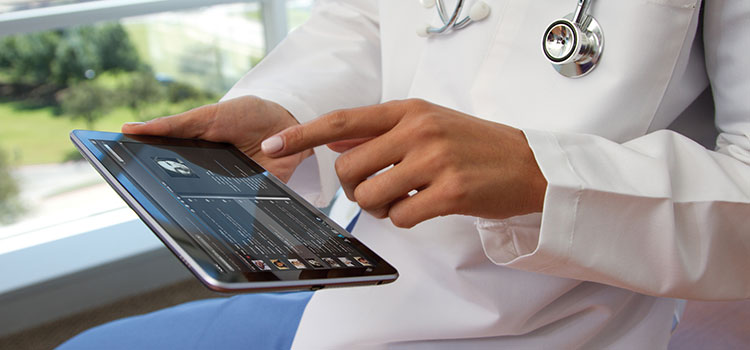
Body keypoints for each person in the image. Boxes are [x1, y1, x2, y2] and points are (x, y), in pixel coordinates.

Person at [59, 0, 750, 348]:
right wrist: (286, 112)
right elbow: (371, 19)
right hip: (366, 286)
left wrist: (541, 177)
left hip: (576, 325)